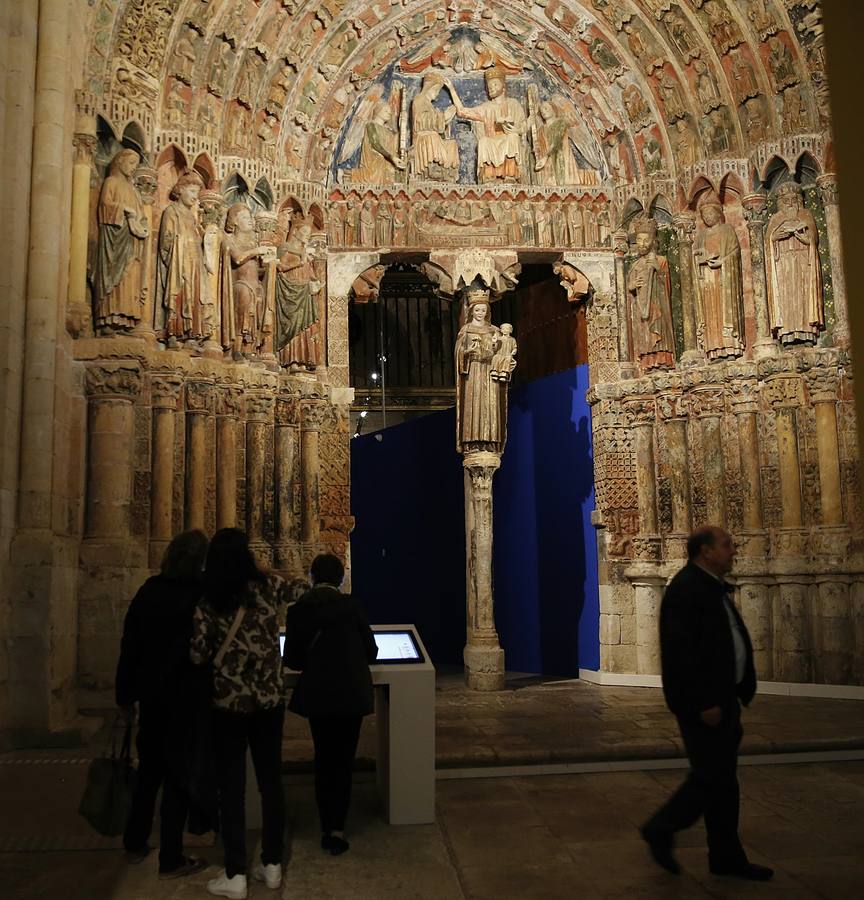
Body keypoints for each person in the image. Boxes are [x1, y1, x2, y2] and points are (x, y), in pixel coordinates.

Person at [641, 527, 773, 882]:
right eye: (727, 545)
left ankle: (726, 857)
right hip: (705, 705)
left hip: (723, 700)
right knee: (710, 778)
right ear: (705, 551)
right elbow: (680, 654)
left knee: (723, 783)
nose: (734, 550)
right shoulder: (686, 589)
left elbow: (723, 642)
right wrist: (702, 703)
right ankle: (661, 827)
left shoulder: (708, 586)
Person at [191, 529, 287, 899]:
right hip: (268, 701)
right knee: (271, 781)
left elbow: (198, 654)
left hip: (229, 704)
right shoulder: (268, 588)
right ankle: (273, 864)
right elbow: (300, 590)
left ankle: (235, 873)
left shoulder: (208, 600)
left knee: (230, 788)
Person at [115, 530, 210, 879]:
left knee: (149, 771)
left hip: (153, 698)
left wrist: (124, 696)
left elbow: (131, 646)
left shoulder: (149, 592)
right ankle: (171, 856)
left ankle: (135, 841)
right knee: (178, 778)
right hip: (187, 699)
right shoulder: (202, 596)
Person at [283, 554, 377, 856]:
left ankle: (328, 825)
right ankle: (339, 825)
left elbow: (294, 660)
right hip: (351, 691)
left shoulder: (298, 610)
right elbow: (371, 651)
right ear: (340, 579)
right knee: (344, 759)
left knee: (324, 757)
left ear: (311, 577)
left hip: (320, 694)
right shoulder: (353, 606)